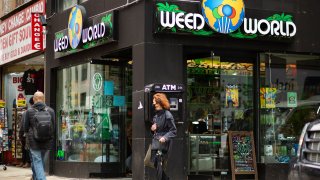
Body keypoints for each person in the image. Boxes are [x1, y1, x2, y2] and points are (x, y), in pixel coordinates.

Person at [25, 91, 55, 180]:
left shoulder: (29, 111)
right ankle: (35, 177)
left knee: (37, 162)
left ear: (34, 99)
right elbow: (54, 127)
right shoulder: (50, 110)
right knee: (39, 162)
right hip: (47, 142)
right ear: (43, 99)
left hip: (34, 142)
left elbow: (25, 127)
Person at [150, 93, 177, 180]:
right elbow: (155, 130)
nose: (154, 104)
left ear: (160, 102)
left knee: (158, 162)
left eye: (155, 102)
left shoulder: (167, 114)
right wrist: (152, 129)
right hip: (156, 142)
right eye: (154, 102)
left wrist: (165, 137)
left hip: (164, 143)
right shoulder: (156, 115)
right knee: (155, 163)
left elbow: (173, 130)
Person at [17, 97, 34, 169]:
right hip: (36, 134)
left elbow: (23, 124)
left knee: (26, 148)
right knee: (27, 148)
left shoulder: (27, 112)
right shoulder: (44, 111)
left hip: (27, 133)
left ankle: (26, 162)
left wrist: (21, 133)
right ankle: (25, 162)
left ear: (30, 103)